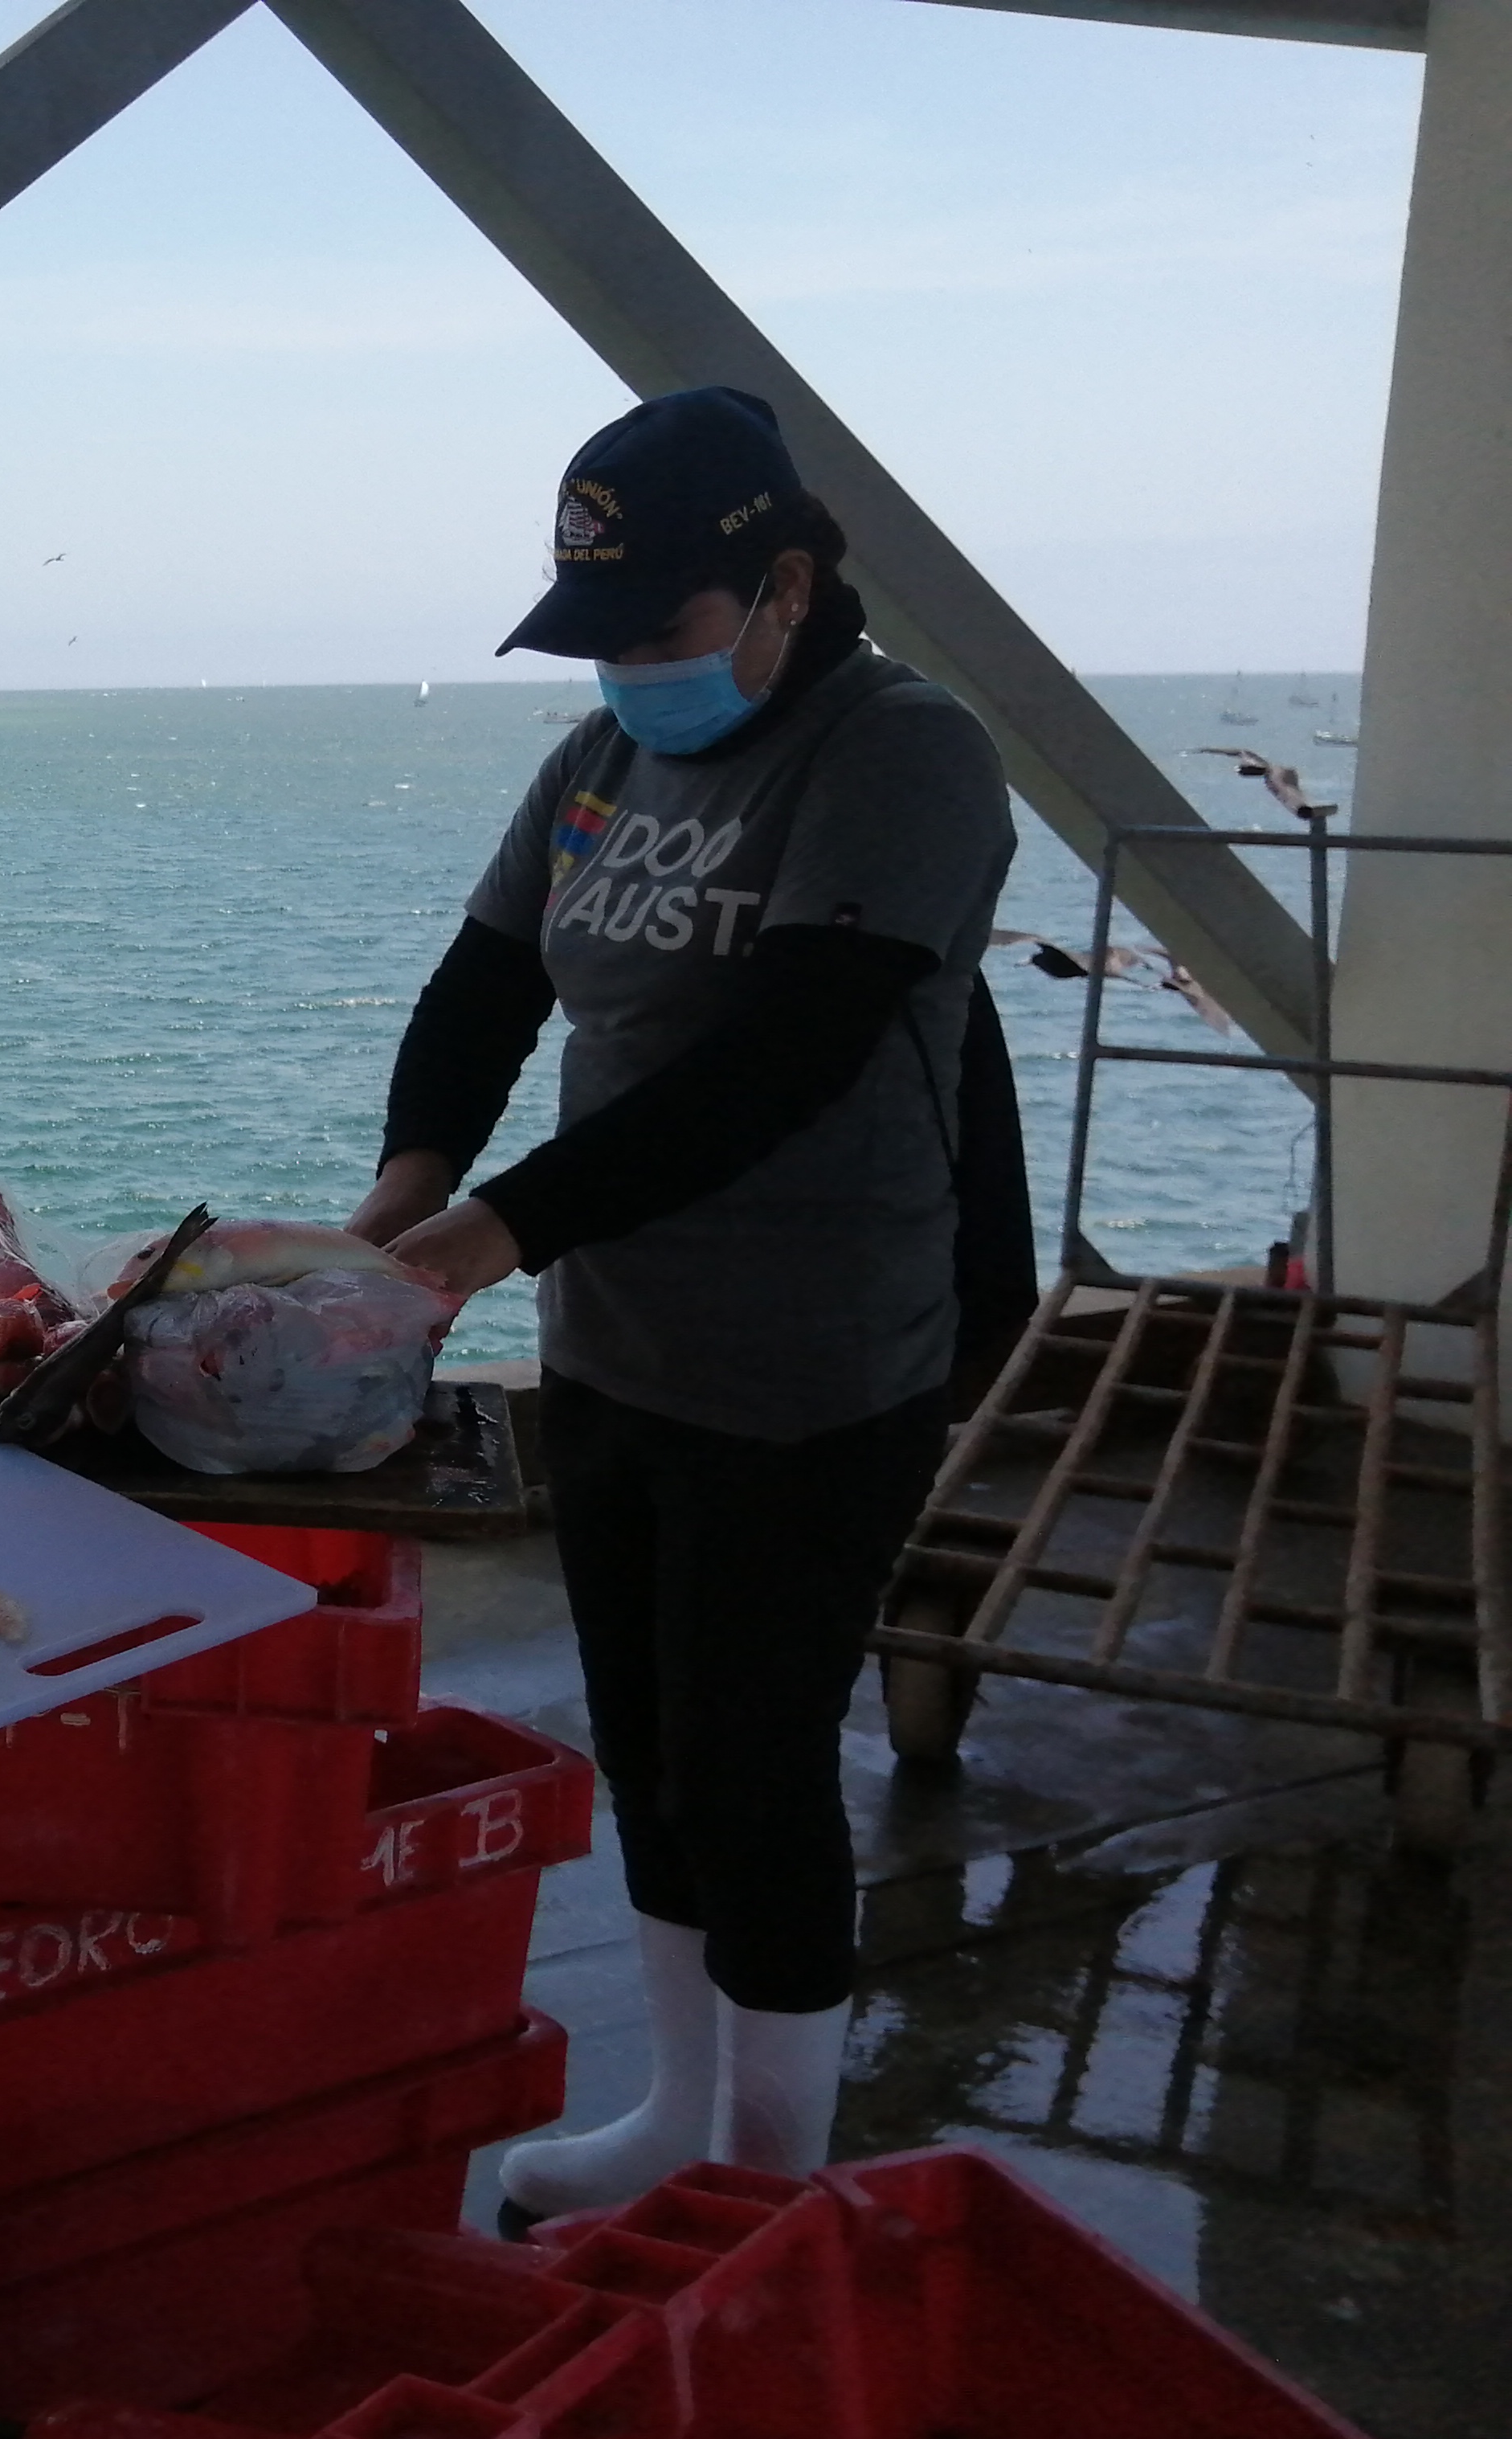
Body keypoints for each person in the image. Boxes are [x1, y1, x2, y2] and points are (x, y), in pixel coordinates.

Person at [347, 388, 1015, 2219]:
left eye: (656, 630)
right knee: (643, 1739)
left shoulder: (904, 759)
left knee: (754, 1764)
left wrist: (494, 1234)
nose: (628, 670)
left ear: (783, 582)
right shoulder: (597, 761)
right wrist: (403, 1190)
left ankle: (765, 2176)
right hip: (622, 1342)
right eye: (597, 638)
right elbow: (485, 984)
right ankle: (676, 2114)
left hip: (813, 1361)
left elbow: (784, 1056)